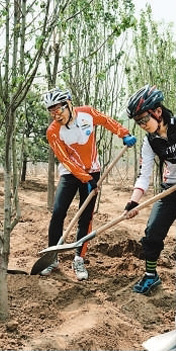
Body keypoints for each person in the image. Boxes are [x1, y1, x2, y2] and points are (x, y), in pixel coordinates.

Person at [41, 87, 136, 280]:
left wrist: (123, 133)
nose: (56, 116)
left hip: (93, 171)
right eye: (52, 112)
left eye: (59, 110)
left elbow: (107, 121)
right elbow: (65, 160)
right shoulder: (53, 131)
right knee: (58, 212)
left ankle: (79, 259)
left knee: (86, 217)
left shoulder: (87, 113)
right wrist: (85, 178)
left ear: (68, 104)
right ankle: (52, 257)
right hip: (71, 174)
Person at [124, 84, 176, 295]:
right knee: (152, 233)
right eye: (138, 122)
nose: (142, 125)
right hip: (170, 188)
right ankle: (151, 276)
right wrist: (133, 202)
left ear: (157, 111)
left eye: (144, 119)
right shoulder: (150, 142)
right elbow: (143, 176)